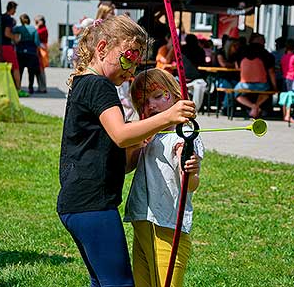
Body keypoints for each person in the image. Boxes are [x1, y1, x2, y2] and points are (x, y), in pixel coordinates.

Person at [57, 15, 196, 287]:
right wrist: (168, 117)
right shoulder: (100, 86)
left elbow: (119, 159)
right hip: (92, 205)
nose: (131, 72)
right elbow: (121, 135)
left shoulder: (85, 83)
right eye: (127, 59)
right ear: (102, 48)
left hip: (79, 204)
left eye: (135, 64)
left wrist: (141, 138)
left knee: (102, 281)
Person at [125, 68, 204, 287]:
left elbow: (191, 184)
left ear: (176, 97)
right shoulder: (147, 132)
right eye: (143, 102)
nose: (151, 106)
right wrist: (133, 146)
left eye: (158, 97)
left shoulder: (186, 135)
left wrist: (188, 168)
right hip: (142, 222)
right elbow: (127, 167)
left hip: (168, 227)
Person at [0, 1, 27, 97]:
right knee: (15, 68)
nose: (15, 11)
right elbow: (6, 33)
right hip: (6, 46)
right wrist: (15, 37)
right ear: (12, 9)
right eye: (15, 9)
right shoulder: (9, 19)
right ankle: (18, 89)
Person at [234, 43, 271, 118]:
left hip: (245, 84)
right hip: (261, 85)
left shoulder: (242, 59)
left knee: (236, 93)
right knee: (267, 92)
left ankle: (252, 106)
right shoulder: (261, 59)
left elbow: (237, 68)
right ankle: (257, 105)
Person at [13, 13, 40, 94]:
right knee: (31, 71)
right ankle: (30, 88)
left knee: (20, 70)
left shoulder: (18, 28)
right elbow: (37, 42)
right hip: (31, 52)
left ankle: (18, 87)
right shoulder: (34, 29)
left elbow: (13, 35)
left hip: (20, 51)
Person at [34, 14, 49, 93]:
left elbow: (35, 33)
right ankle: (40, 87)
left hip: (41, 51)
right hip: (39, 50)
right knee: (38, 70)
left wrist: (37, 26)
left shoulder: (43, 29)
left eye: (37, 21)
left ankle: (43, 88)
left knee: (41, 70)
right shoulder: (42, 29)